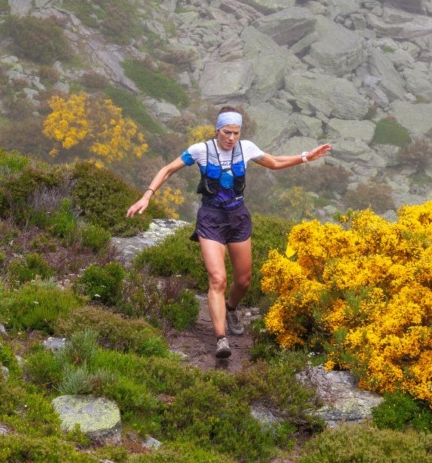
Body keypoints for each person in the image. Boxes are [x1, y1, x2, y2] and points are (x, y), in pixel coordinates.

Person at [127, 106, 332, 359]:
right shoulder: (201, 150)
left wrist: (305, 157)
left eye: (236, 132)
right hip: (211, 218)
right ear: (217, 130)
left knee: (243, 281)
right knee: (218, 279)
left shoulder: (246, 148)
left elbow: (275, 162)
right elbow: (168, 169)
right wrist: (147, 196)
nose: (231, 138)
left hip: (237, 217)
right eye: (227, 132)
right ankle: (221, 339)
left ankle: (231, 308)